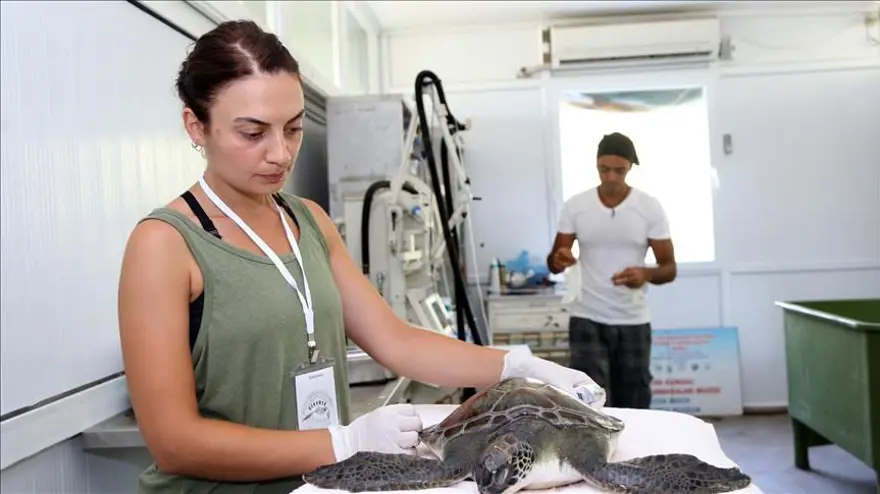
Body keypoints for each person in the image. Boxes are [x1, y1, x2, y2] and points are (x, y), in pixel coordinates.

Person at [117, 20, 602, 494]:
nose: (280, 154)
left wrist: (517, 365)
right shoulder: (165, 244)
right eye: (252, 133)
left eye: (293, 128)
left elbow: (397, 342)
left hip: (325, 485)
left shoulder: (308, 222)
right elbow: (174, 442)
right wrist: (341, 441)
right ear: (196, 125)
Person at [546, 132, 677, 410]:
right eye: (604, 170)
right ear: (597, 167)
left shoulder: (648, 207)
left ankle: (637, 452)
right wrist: (562, 258)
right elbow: (555, 259)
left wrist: (645, 274)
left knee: (635, 398)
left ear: (630, 168)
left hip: (632, 318)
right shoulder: (577, 206)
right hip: (587, 315)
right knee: (589, 399)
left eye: (619, 170)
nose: (611, 178)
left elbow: (669, 268)